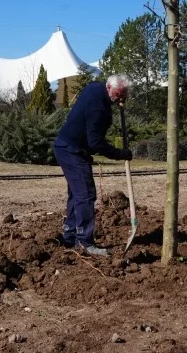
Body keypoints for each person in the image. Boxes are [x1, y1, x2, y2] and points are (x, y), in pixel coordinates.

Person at [53, 74, 134, 256]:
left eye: (124, 96)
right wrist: (121, 154)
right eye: (119, 94)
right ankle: (84, 242)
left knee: (77, 194)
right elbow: (95, 143)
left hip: (67, 146)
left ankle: (70, 235)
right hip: (72, 150)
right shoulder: (98, 108)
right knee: (86, 194)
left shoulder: (95, 88)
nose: (121, 99)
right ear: (108, 87)